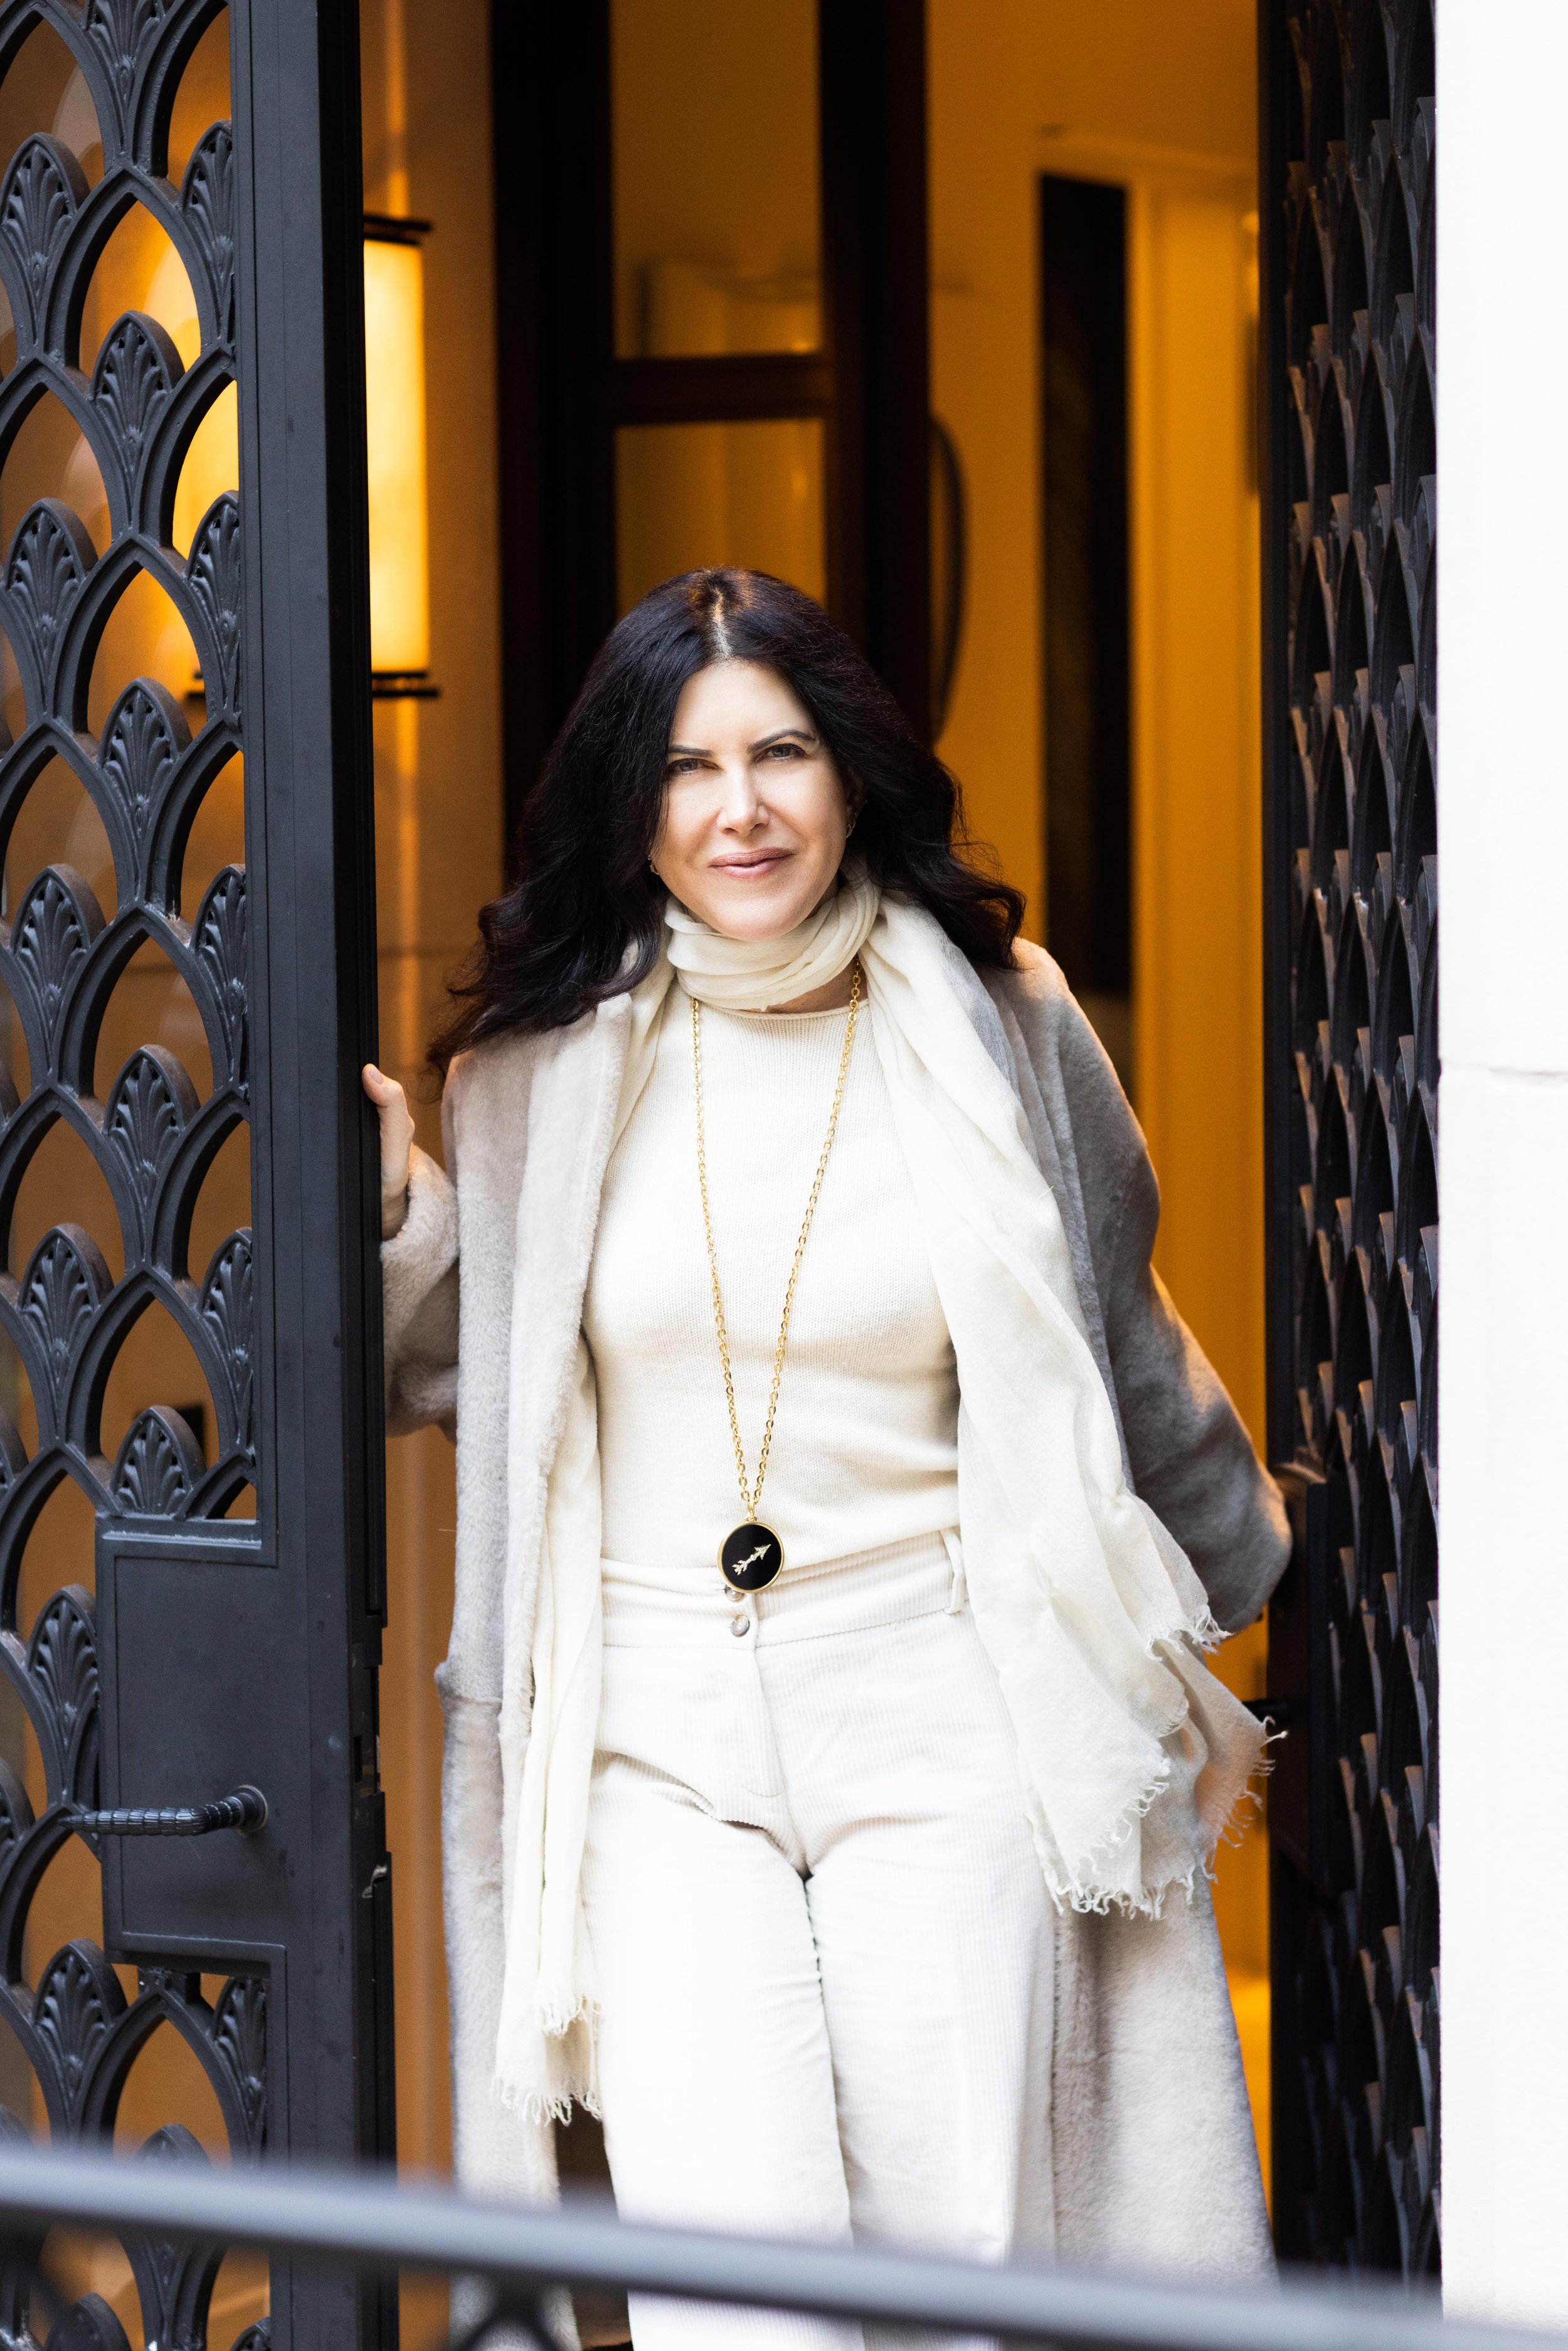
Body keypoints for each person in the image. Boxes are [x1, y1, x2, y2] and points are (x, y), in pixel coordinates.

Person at [366, 568, 1291, 2351]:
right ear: (628, 799)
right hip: (649, 1732)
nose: (739, 807)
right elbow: (452, 1366)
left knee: (958, 2270)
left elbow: (1107, 1323)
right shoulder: (537, 1063)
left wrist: (1244, 1573)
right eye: (689, 763)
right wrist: (398, 1204)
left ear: (850, 772)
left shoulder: (994, 1018)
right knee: (734, 2292)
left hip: (933, 1690)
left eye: (780, 751)